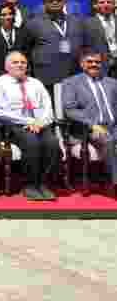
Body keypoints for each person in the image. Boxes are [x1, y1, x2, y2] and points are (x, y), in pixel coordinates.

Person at [0, 51, 61, 201]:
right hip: (11, 125)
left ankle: (42, 183)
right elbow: (0, 111)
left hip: (38, 124)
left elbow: (47, 107)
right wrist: (28, 122)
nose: (20, 65)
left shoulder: (35, 83)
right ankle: (30, 185)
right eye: (15, 62)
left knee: (52, 143)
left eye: (23, 62)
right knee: (31, 142)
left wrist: (40, 122)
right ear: (6, 66)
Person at [61, 50, 117, 198]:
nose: (94, 64)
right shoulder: (71, 83)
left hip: (113, 125)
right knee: (108, 139)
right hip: (88, 128)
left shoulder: (112, 82)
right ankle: (114, 184)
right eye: (90, 61)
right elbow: (70, 109)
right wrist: (92, 124)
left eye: (97, 62)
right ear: (82, 64)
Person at [25, 0, 86, 89]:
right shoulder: (33, 23)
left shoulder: (77, 21)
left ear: (64, 2)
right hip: (47, 76)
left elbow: (84, 45)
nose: (55, 2)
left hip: (74, 73)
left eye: (58, 0)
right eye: (50, 1)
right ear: (44, 4)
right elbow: (26, 49)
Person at [0, 3, 30, 80]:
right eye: (3, 15)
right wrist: (4, 76)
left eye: (10, 14)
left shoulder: (23, 33)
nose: (7, 17)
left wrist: (21, 73)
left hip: (21, 76)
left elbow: (27, 55)